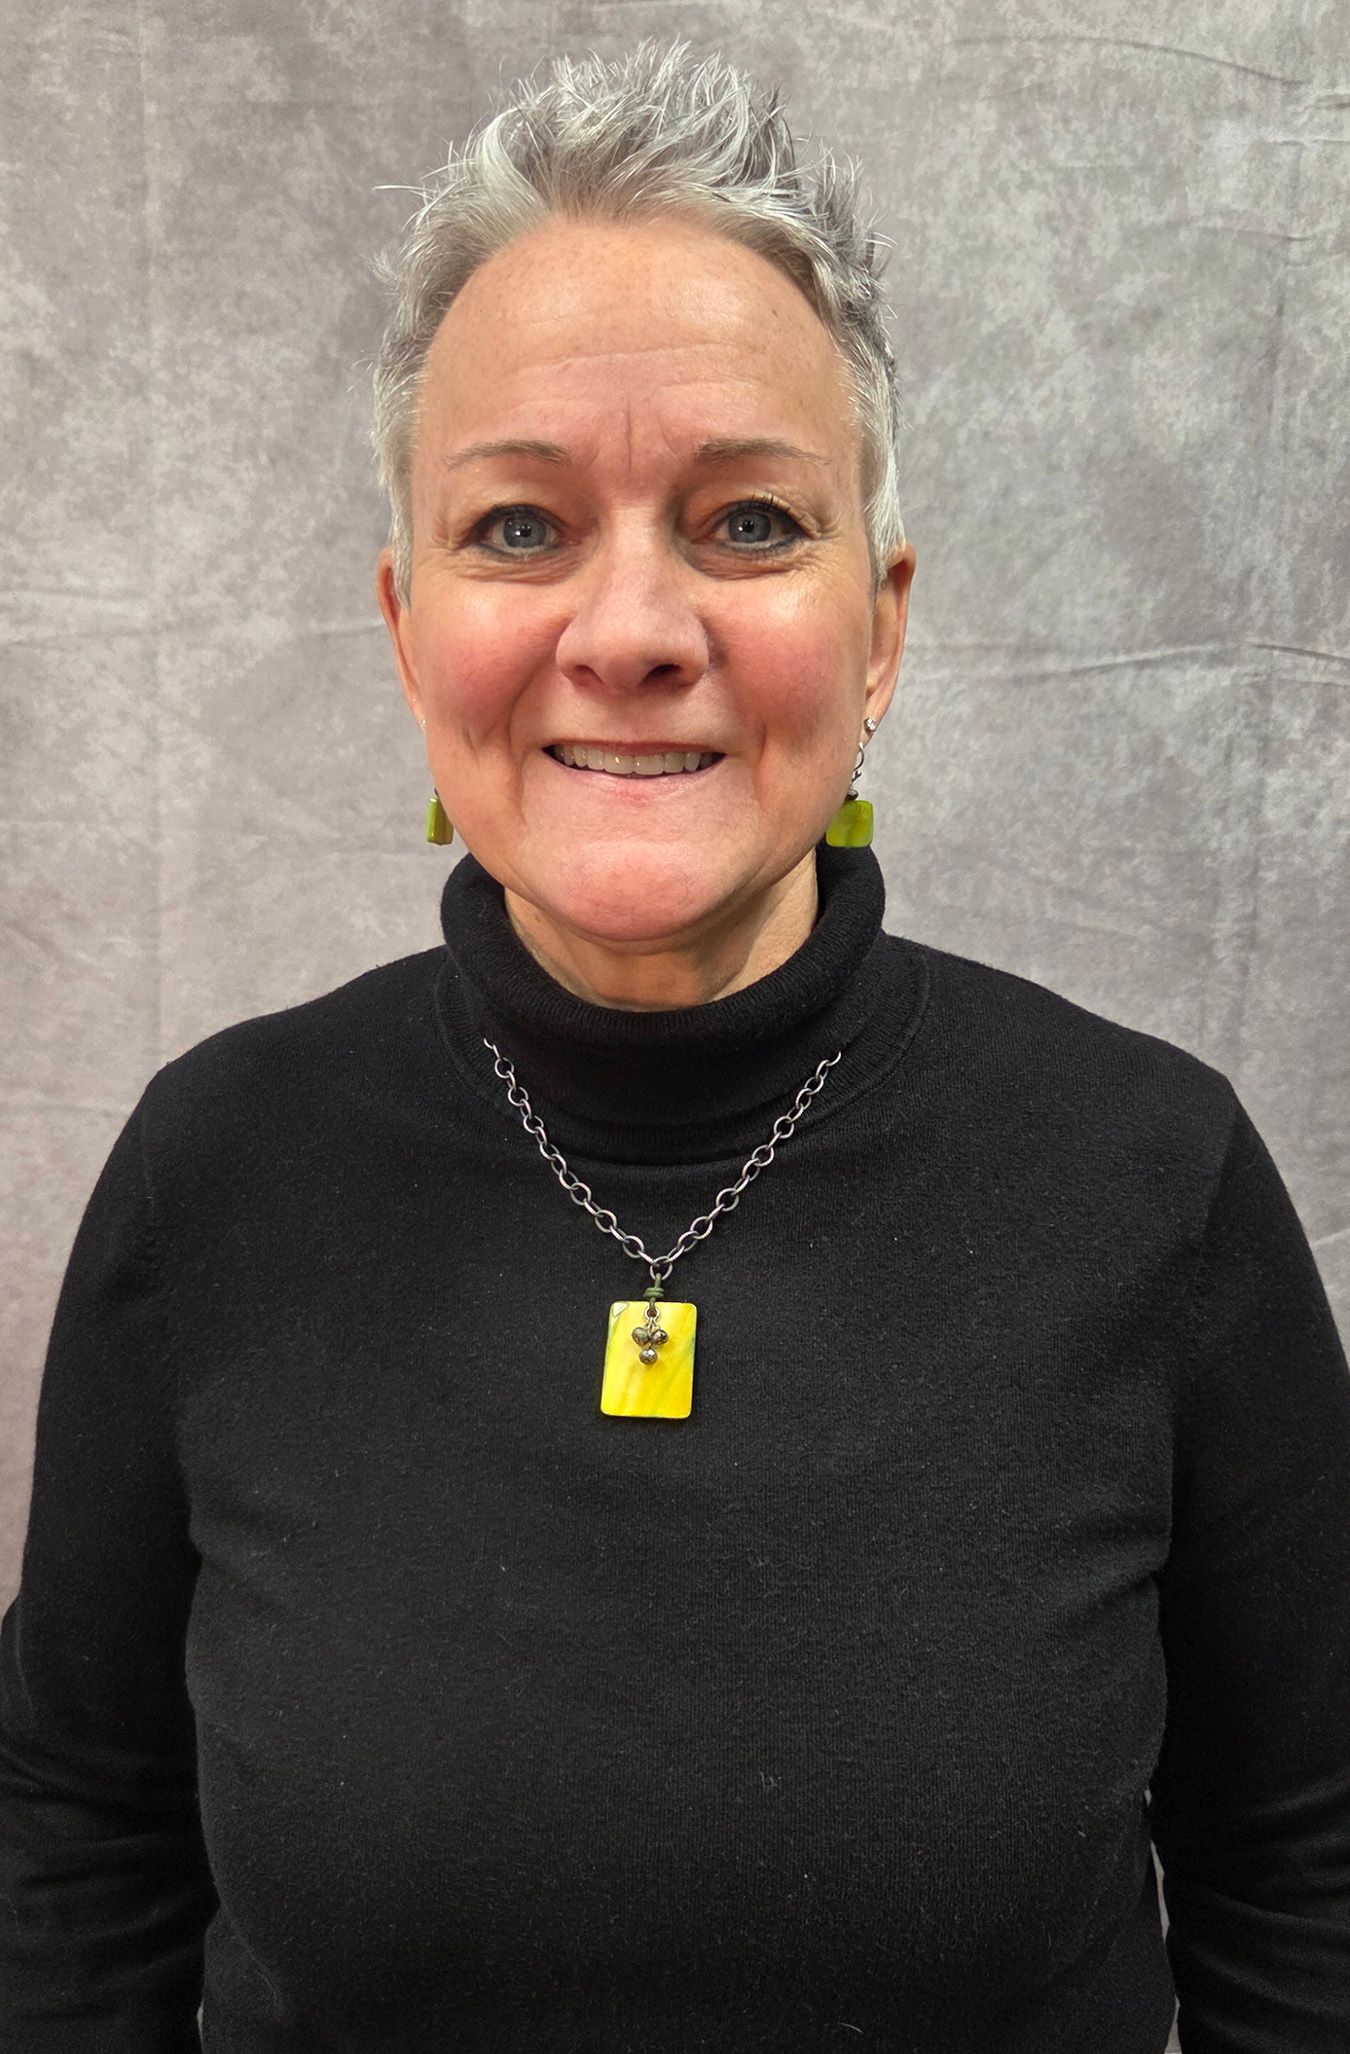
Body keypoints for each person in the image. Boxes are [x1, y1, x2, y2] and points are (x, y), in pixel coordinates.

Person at [2, 35, 1347, 2053]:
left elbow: (1308, 1890)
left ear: (879, 625)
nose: (629, 627)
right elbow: (71, 1852)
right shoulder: (218, 1173)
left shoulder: (1157, 1190)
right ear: (406, 624)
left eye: (743, 523)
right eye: (522, 529)